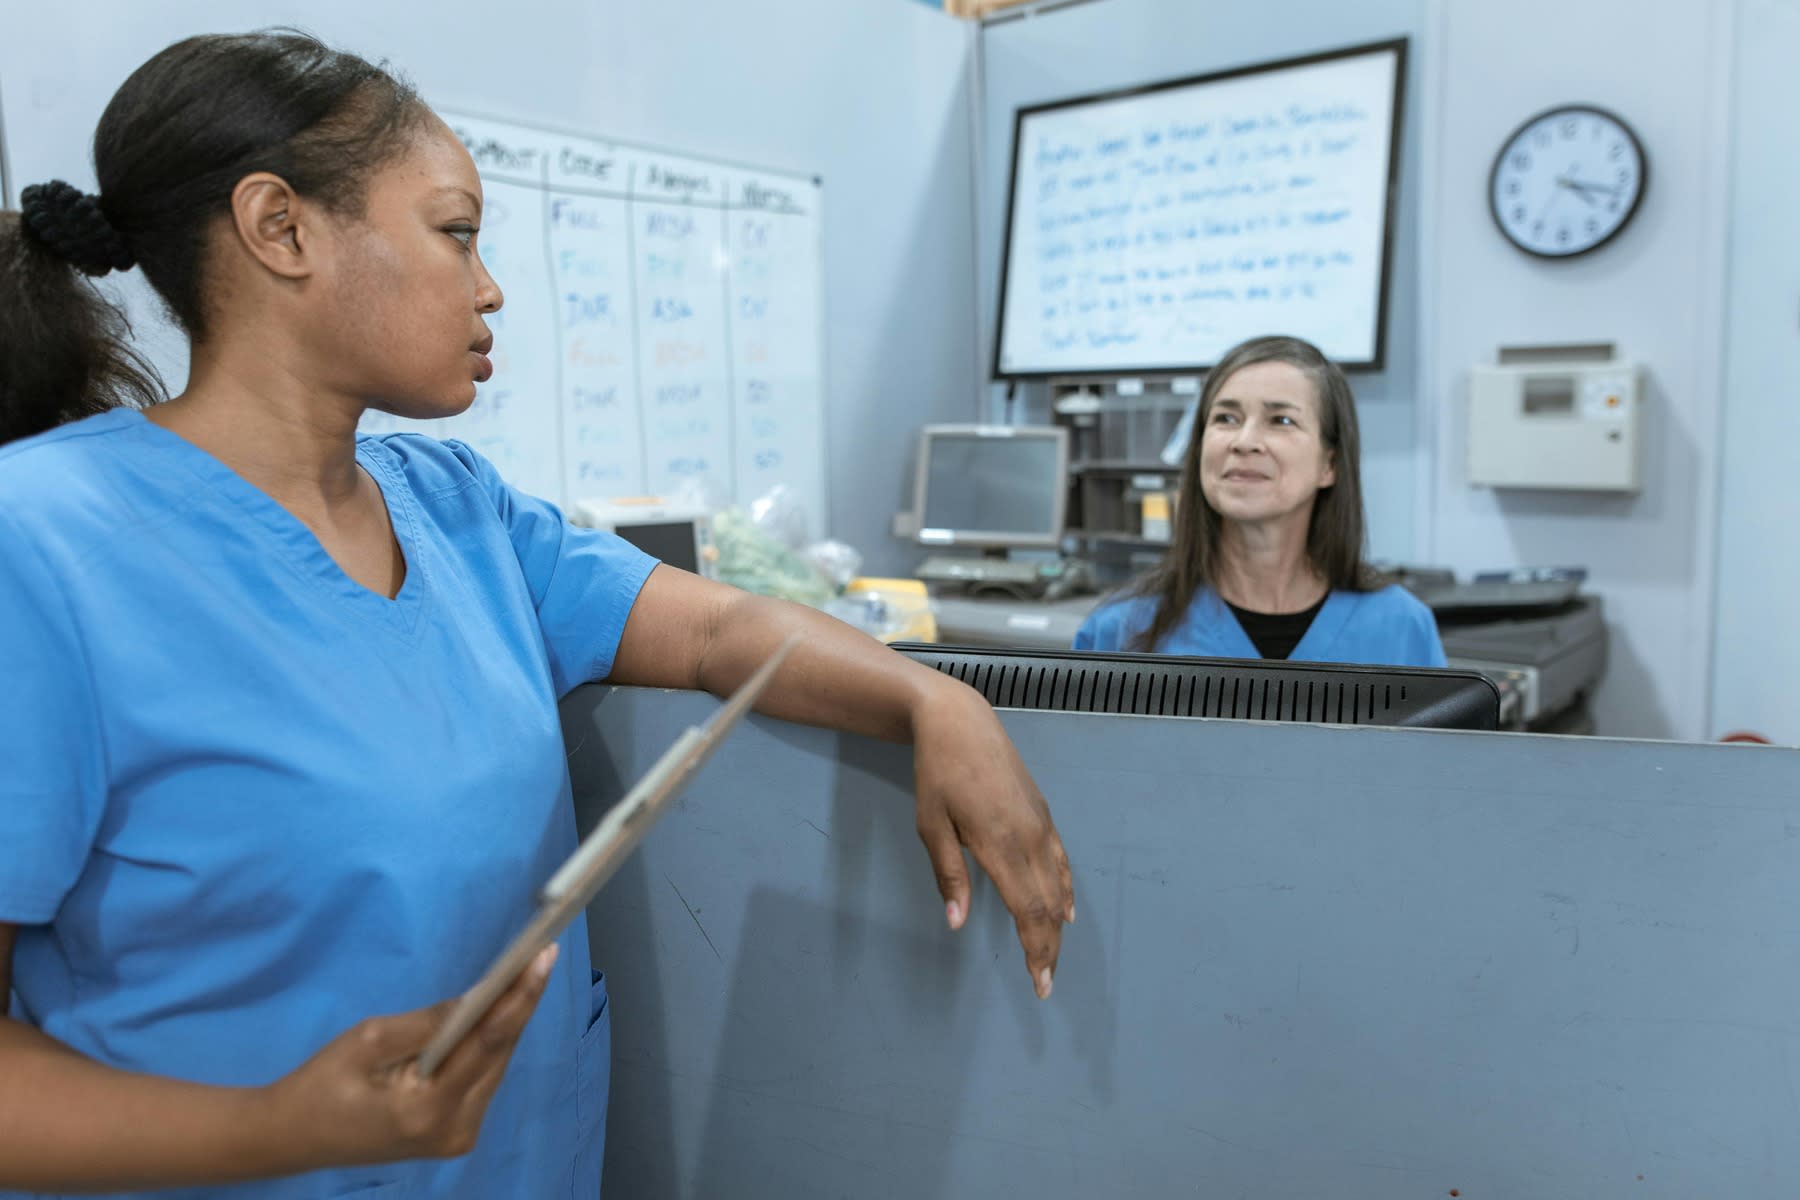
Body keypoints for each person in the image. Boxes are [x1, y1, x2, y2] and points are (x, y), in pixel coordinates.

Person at [0, 31, 1073, 1198]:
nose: (491, 283)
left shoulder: (457, 510)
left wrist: (930, 696)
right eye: (456, 232)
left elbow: (721, 635)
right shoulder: (44, 543)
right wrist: (280, 1129)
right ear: (281, 229)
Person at [1074, 335, 1444, 667]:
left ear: (1329, 464)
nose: (1244, 441)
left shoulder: (1401, 628)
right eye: (1226, 418)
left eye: (1280, 420)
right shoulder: (1120, 630)